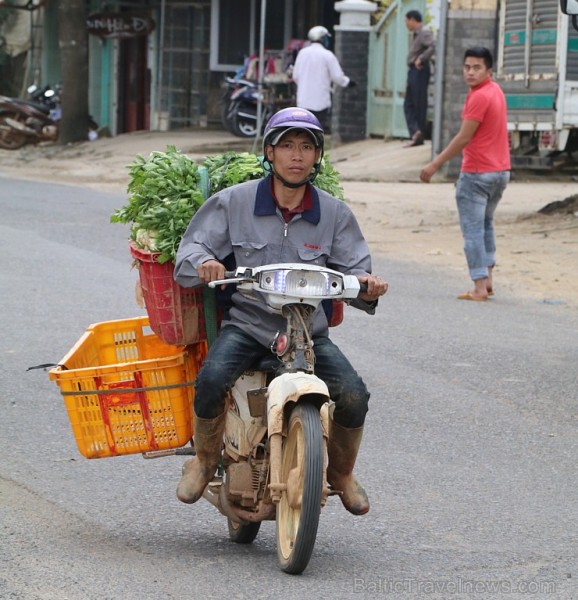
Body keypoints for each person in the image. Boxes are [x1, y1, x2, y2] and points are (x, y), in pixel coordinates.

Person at [173, 107, 388, 515]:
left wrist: (368, 284)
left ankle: (340, 474)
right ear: (269, 153)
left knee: (354, 395)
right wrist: (206, 264)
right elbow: (191, 251)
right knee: (211, 379)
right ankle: (202, 462)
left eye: (307, 147)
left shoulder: (335, 214)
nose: (297, 155)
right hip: (249, 326)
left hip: (309, 333)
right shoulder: (233, 203)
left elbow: (355, 271)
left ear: (317, 157)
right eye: (287, 145)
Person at [420, 47, 511, 301]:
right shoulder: (496, 91)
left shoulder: (479, 96)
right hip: (500, 172)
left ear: (488, 70)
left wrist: (434, 164)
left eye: (476, 67)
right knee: (485, 225)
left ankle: (479, 286)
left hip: (477, 173)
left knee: (473, 231)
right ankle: (488, 280)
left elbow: (463, 138)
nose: (470, 72)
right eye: (467, 67)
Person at [291, 26, 355, 132]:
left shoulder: (302, 54)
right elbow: (337, 76)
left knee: (303, 131)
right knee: (316, 131)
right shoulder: (327, 55)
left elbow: (295, 76)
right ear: (323, 39)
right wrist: (348, 82)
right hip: (320, 102)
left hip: (303, 101)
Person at [403, 10, 435, 147]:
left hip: (420, 70)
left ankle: (418, 134)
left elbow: (433, 45)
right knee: (409, 102)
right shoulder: (417, 34)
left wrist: (421, 59)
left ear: (413, 20)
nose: (406, 24)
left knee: (418, 102)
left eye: (407, 20)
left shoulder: (424, 32)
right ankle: (416, 132)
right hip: (413, 71)